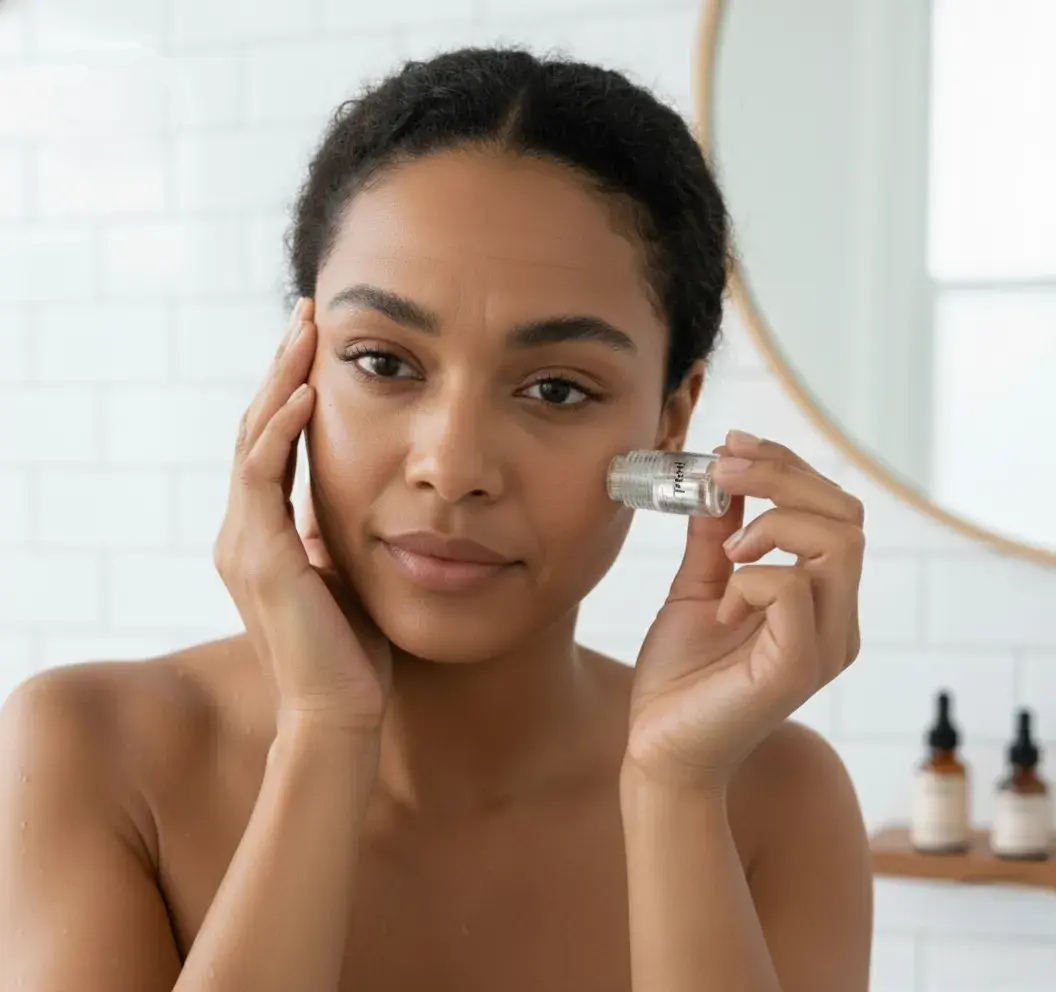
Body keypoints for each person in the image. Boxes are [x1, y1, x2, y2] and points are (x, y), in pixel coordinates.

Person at [0, 47, 871, 992]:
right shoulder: (88, 749)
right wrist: (325, 735)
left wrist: (674, 791)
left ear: (670, 422)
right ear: (296, 372)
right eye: (383, 362)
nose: (452, 468)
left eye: (555, 387)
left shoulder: (776, 799)